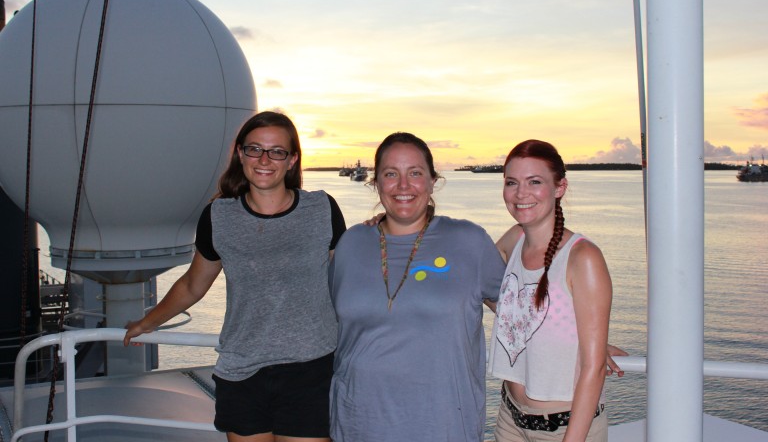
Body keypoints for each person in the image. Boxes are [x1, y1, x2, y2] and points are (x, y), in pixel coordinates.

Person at [123, 111, 346, 442]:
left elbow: (349, 279)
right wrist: (147, 322)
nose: (265, 159)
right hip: (242, 373)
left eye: (277, 151)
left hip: (311, 370)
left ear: (292, 159)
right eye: (255, 149)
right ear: (240, 154)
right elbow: (192, 284)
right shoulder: (219, 216)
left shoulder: (321, 209)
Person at [328, 132, 507, 442]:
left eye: (415, 173)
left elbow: (520, 311)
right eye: (390, 174)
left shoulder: (468, 241)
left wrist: (584, 341)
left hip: (443, 426)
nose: (403, 185)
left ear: (432, 181)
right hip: (357, 425)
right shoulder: (350, 243)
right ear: (376, 182)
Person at [488, 139, 612, 442]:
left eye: (535, 182)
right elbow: (484, 290)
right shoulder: (514, 239)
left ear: (560, 187)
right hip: (509, 420)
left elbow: (593, 371)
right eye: (511, 182)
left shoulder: (583, 258)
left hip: (563, 430)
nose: (520, 194)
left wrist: (592, 342)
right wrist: (570, 333)